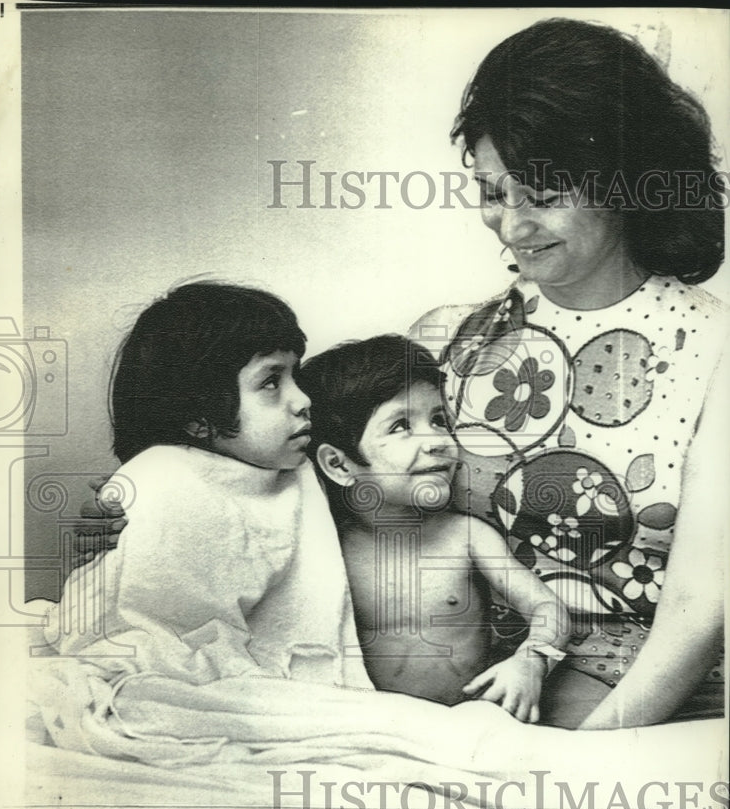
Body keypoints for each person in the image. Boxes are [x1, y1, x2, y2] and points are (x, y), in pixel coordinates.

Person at [408, 17, 727, 729]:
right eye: (494, 192)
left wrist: (576, 759)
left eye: (545, 196)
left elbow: (702, 605)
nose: (512, 225)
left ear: (626, 182)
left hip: (644, 699)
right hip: (492, 685)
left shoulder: (717, 348)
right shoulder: (448, 338)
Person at [43, 281, 371, 742]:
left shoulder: (303, 469)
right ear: (201, 417)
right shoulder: (161, 478)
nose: (302, 399)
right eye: (271, 382)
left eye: (295, 375)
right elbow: (134, 619)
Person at [298, 334, 570, 719]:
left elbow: (545, 605)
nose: (438, 440)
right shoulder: (330, 550)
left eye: (439, 420)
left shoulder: (466, 536)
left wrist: (532, 660)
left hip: (473, 719)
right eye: (400, 426)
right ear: (340, 465)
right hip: (374, 727)